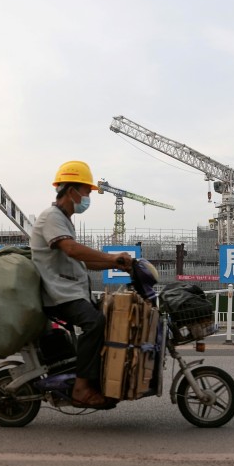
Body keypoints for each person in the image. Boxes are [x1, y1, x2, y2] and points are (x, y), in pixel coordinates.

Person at [30, 160, 133, 409]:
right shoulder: (51, 217)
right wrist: (110, 256)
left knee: (105, 319)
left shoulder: (63, 220)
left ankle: (94, 378)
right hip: (58, 295)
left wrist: (116, 264)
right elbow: (71, 249)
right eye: (86, 191)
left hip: (69, 292)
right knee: (94, 322)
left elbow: (82, 262)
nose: (88, 197)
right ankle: (82, 388)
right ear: (71, 190)